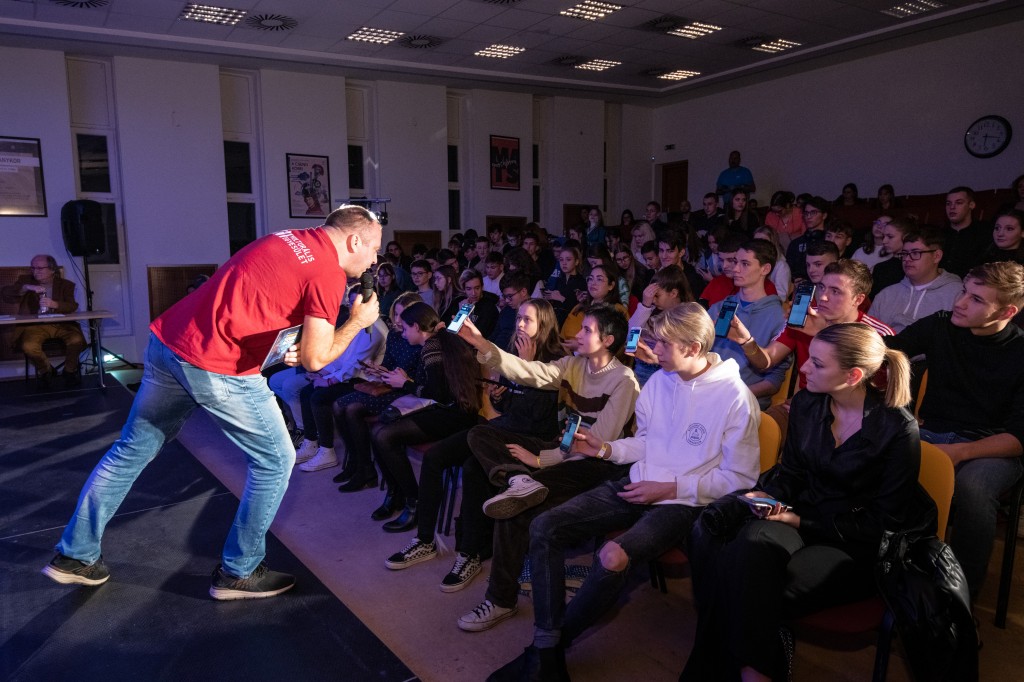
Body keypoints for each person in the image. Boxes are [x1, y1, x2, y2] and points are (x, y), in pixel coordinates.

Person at [41, 205, 382, 599]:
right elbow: (317, 360)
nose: (374, 260)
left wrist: (298, 346)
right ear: (354, 241)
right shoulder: (327, 273)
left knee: (130, 451)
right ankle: (240, 572)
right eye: (374, 249)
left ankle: (75, 555)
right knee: (275, 461)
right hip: (216, 365)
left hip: (170, 344)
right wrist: (356, 322)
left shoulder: (286, 237)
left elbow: (260, 304)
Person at [491, 303, 762, 680]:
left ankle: (544, 652)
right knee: (545, 526)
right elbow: (647, 442)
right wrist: (605, 449)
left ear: (693, 348)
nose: (652, 350)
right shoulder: (661, 381)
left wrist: (669, 487)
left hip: (684, 500)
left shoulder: (735, 398)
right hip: (640, 481)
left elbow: (740, 477)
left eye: (664, 344)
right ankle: (546, 647)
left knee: (613, 556)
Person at [682, 323, 920, 681]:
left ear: (853, 375)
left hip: (854, 543)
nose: (804, 367)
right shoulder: (808, 404)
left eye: (817, 364)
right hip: (801, 514)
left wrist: (798, 520)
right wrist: (767, 496)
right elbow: (792, 474)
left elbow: (884, 525)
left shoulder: (898, 429)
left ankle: (747, 670)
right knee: (743, 548)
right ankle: (757, 669)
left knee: (744, 584)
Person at [454, 305, 640, 634]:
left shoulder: (624, 381)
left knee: (514, 509)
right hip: (564, 449)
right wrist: (482, 344)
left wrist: (541, 461)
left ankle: (500, 600)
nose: (577, 335)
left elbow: (595, 445)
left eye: (587, 330)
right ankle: (518, 480)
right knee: (480, 434)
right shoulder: (573, 364)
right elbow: (529, 373)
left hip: (595, 465)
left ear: (608, 340)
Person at [382, 299, 564, 592]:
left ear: (544, 324)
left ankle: (469, 555)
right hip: (502, 428)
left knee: (473, 468)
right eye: (518, 317)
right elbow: (507, 407)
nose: (519, 324)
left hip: (531, 438)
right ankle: (425, 540)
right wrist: (499, 395)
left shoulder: (557, 360)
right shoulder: (513, 350)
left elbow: (539, 418)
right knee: (435, 457)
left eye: (527, 320)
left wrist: (526, 367)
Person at [884, 261, 1024, 600]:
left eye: (976, 299)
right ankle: (883, 566)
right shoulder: (942, 325)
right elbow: (889, 349)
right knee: (875, 456)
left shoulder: (1020, 352)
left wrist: (960, 452)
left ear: (1007, 311)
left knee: (973, 489)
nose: (959, 302)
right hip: (933, 431)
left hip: (990, 445)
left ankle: (957, 596)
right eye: (963, 291)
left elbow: (1019, 439)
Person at [369, 302, 483, 533]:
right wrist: (406, 380)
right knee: (379, 431)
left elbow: (437, 393)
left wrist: (405, 384)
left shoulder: (432, 347)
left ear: (417, 327)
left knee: (384, 436)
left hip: (455, 416)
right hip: (450, 410)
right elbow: (436, 387)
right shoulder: (438, 341)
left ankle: (413, 502)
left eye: (405, 328)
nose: (402, 334)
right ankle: (398, 494)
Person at [334, 292, 424, 493]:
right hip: (388, 386)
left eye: (403, 315)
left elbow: (417, 378)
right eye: (396, 314)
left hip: (405, 392)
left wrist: (396, 377)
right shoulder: (394, 335)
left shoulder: (419, 338)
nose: (398, 320)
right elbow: (389, 365)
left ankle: (366, 471)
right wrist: (376, 370)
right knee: (338, 405)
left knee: (353, 409)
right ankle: (357, 463)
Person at [293, 285, 389, 472]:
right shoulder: (355, 324)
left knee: (318, 396)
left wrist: (329, 380)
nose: (353, 307)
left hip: (364, 381)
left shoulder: (374, 328)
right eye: (351, 303)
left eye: (357, 303)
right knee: (306, 392)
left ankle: (327, 450)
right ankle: (311, 442)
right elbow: (342, 356)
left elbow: (356, 365)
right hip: (348, 377)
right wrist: (322, 371)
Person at [708, 240, 790, 409]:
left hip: (744, 403)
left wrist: (735, 393)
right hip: (708, 392)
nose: (736, 269)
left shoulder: (778, 317)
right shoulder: (720, 307)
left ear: (765, 269)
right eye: (735, 262)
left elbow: (773, 381)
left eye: (745, 264)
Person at [2, 254, 87, 389]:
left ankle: (69, 371)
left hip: (61, 324)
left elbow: (72, 306)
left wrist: (55, 304)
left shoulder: (66, 285)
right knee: (28, 346)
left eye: (40, 268)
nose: (35, 271)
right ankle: (46, 370)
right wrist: (26, 287)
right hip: (35, 326)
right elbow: (6, 292)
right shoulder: (25, 281)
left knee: (77, 340)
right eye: (33, 268)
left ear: (52, 270)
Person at [869, 225, 961, 332]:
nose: (907, 259)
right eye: (905, 254)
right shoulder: (886, 295)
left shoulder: (957, 295)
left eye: (915, 253)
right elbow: (866, 336)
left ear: (936, 256)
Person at [941, 186, 990, 278]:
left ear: (971, 205)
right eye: (948, 203)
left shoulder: (983, 233)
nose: (952, 207)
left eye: (959, 203)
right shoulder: (940, 234)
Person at [785, 196, 829, 282]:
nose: (808, 216)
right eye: (806, 213)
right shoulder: (796, 243)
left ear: (824, 215)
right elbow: (788, 269)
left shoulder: (829, 241)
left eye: (813, 213)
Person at [455, 268, 499, 339]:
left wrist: (463, 312)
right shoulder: (460, 302)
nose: (473, 293)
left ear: (482, 287)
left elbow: (478, 336)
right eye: (469, 289)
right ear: (464, 289)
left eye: (477, 288)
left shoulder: (489, 308)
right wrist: (462, 311)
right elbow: (452, 331)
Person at [753, 225, 792, 300]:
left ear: (773, 244)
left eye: (763, 241)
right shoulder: (751, 264)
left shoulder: (781, 266)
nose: (758, 245)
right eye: (756, 241)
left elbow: (781, 296)